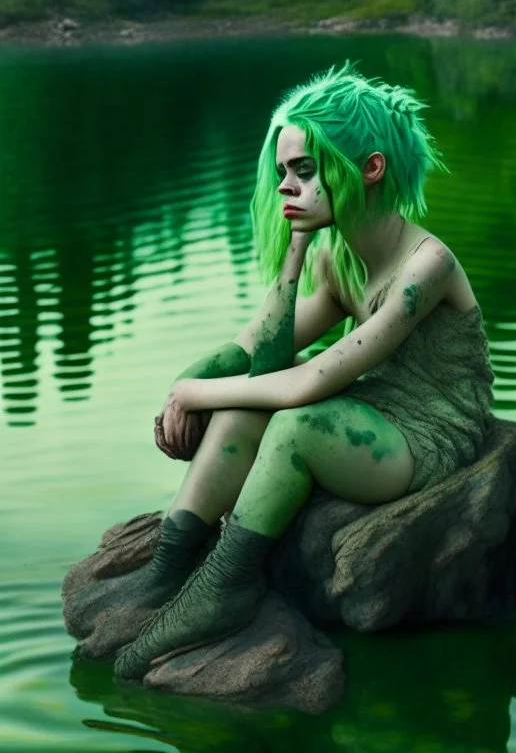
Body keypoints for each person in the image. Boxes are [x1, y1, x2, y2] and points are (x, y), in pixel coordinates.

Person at [114, 58, 495, 680]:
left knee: (292, 425)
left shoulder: (427, 267)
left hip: (427, 435)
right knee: (239, 396)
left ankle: (227, 585)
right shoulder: (336, 257)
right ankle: (170, 567)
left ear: (370, 168)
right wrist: (295, 253)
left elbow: (306, 385)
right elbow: (261, 355)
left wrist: (190, 390)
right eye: (283, 172)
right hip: (375, 406)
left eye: (305, 171)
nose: (287, 187)